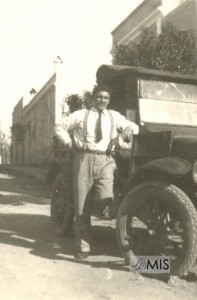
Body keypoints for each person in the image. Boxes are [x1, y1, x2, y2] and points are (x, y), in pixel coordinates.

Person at [55, 83, 139, 259]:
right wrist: (69, 143)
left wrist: (129, 128)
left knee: (105, 197)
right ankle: (83, 247)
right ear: (92, 98)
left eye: (106, 97)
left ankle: (97, 207)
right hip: (84, 159)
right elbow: (59, 127)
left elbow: (133, 126)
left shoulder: (113, 116)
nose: (102, 100)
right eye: (99, 97)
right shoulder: (81, 115)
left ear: (109, 100)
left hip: (106, 160)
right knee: (81, 206)